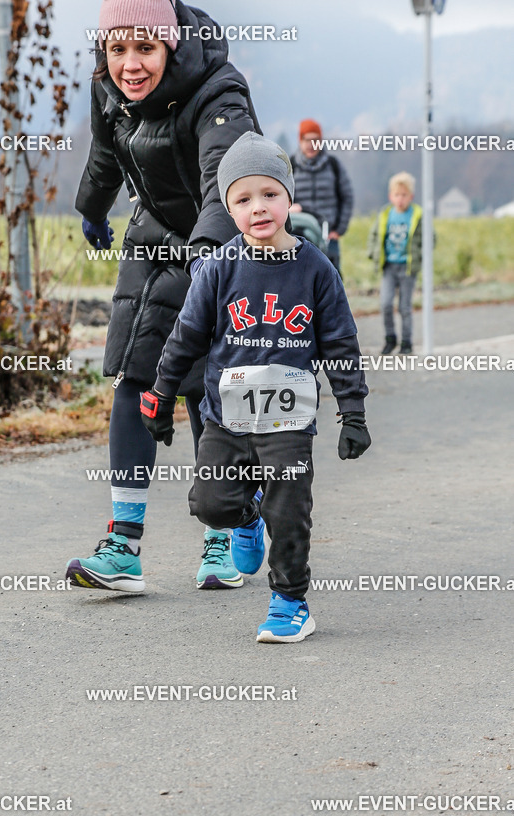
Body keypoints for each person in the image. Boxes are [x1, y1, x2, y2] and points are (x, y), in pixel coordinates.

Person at [141, 132, 371, 642]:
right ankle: (246, 517)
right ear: (229, 208)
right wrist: (159, 396)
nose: (258, 208)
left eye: (269, 194)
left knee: (289, 509)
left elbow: (340, 341)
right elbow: (186, 336)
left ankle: (290, 602)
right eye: (242, 199)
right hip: (227, 418)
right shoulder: (220, 267)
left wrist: (352, 412)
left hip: (288, 421)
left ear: (290, 198)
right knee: (210, 505)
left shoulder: (316, 269)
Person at [65, 0, 261, 594]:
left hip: (217, 249)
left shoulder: (220, 94)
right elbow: (105, 154)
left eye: (145, 49)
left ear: (171, 48)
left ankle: (222, 531)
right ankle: (123, 546)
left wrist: (209, 257)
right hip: (150, 243)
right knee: (133, 379)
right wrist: (92, 210)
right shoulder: (110, 89)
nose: (129, 64)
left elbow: (225, 185)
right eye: (117, 49)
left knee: (206, 387)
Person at [367, 171, 423, 354]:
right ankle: (390, 338)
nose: (400, 199)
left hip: (407, 268)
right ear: (391, 196)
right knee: (385, 304)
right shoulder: (385, 214)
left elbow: (429, 238)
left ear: (411, 197)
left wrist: (420, 256)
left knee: (405, 307)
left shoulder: (416, 215)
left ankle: (406, 342)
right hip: (389, 266)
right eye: (397, 195)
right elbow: (375, 235)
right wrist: (372, 253)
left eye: (404, 195)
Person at [290, 119, 354, 276]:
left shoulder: (333, 165)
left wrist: (339, 229)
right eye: (307, 140)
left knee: (332, 277)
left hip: (329, 235)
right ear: (300, 140)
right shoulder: (291, 166)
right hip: (300, 233)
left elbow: (347, 197)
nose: (311, 145)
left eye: (315, 140)